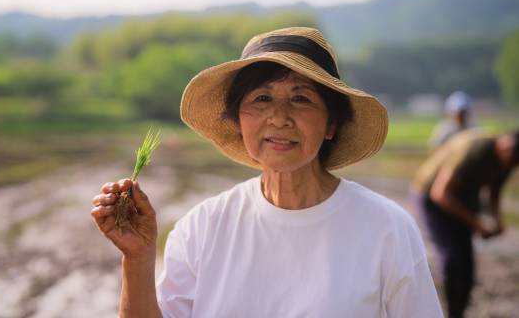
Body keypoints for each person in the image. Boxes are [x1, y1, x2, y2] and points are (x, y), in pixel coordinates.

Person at [91, 27, 443, 317]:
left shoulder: (386, 228)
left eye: (300, 98)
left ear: (331, 123)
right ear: (238, 121)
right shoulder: (203, 228)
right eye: (261, 99)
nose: (279, 117)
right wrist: (137, 259)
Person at [412, 129, 519, 318]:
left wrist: (497, 220)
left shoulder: (508, 160)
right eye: (511, 162)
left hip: (461, 199)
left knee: (467, 265)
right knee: (452, 257)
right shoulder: (475, 150)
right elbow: (440, 193)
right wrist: (476, 223)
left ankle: (458, 311)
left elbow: (494, 192)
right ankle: (439, 308)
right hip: (431, 197)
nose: (510, 167)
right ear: (505, 146)